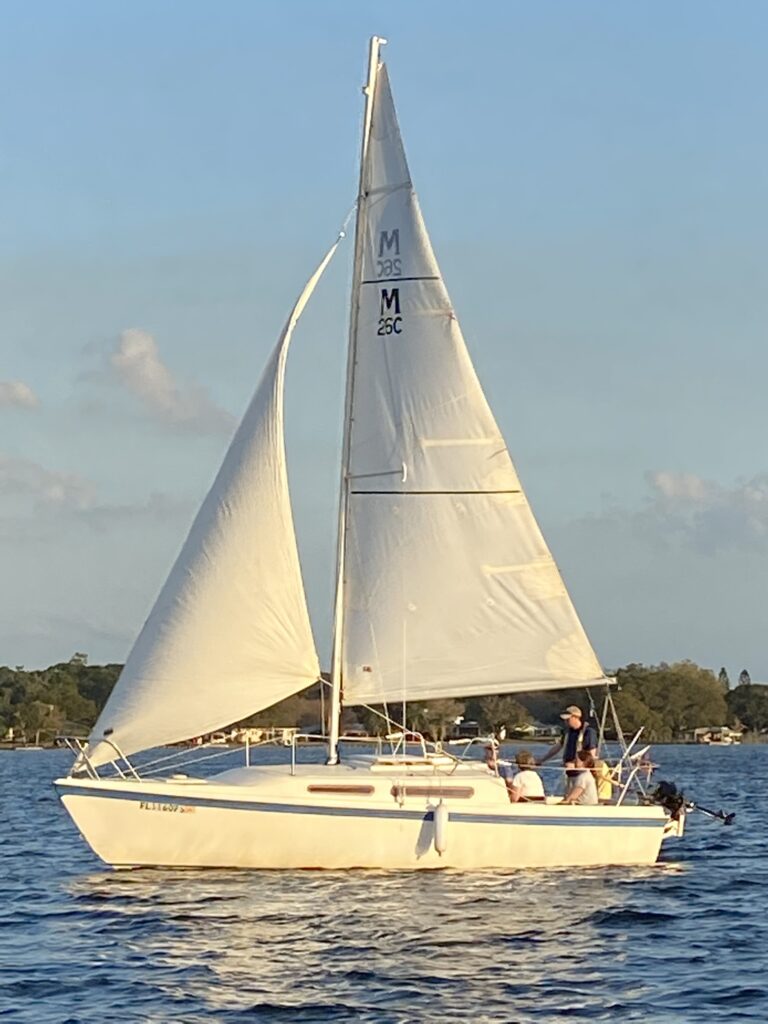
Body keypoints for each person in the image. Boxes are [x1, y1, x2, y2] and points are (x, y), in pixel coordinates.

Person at [537, 705, 598, 792]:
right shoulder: (567, 732)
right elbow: (558, 747)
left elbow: (591, 755)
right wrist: (542, 760)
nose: (565, 722)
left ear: (576, 718)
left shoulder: (588, 732)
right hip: (569, 772)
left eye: (568, 719)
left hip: (582, 774)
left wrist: (576, 765)